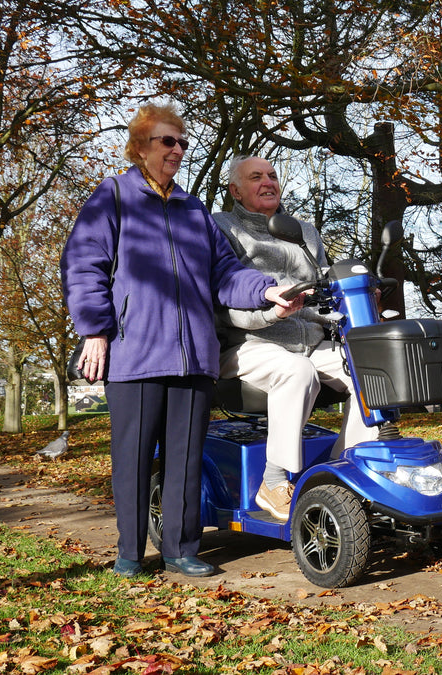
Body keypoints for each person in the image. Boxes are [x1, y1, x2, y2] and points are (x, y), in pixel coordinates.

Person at [61, 105, 303, 578]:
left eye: (183, 143)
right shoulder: (113, 196)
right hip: (134, 354)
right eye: (167, 141)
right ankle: (130, 553)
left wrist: (266, 289)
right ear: (141, 146)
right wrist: (94, 331)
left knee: (186, 459)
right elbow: (83, 265)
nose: (177, 150)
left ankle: (180, 549)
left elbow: (225, 273)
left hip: (194, 356)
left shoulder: (195, 210)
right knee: (133, 460)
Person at [214, 155, 379, 522]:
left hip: (309, 340)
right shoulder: (222, 227)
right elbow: (223, 294)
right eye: (256, 177)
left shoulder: (303, 231)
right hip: (246, 343)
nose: (267, 182)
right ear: (235, 191)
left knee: (371, 371)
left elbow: (325, 288)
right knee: (297, 371)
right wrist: (273, 311)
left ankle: (342, 474)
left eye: (272, 175)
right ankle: (273, 481)